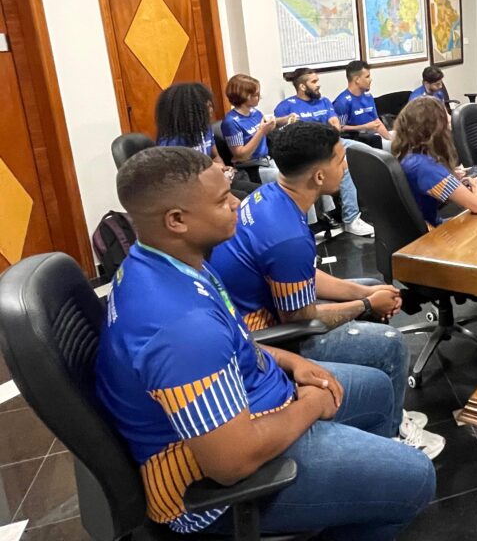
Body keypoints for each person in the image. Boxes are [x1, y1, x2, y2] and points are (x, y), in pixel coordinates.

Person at [96, 147, 433, 538]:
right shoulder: (180, 329)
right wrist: (311, 405)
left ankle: (354, 496)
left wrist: (291, 363)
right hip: (217, 491)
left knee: (377, 389)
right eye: (221, 200)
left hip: (256, 398)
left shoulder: (169, 262)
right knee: (417, 479)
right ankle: (367, 496)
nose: (236, 203)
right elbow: (232, 463)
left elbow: (235, 338)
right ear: (177, 220)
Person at [209, 122, 444, 459]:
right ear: (319, 176)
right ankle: (393, 435)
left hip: (266, 307)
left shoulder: (269, 196)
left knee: (368, 287)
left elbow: (302, 275)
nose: (345, 166)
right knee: (391, 344)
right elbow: (299, 318)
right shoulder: (288, 236)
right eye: (339, 160)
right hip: (266, 335)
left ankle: (380, 407)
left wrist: (363, 293)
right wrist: (366, 305)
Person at [275, 68, 374, 237]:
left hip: (333, 142)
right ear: (302, 86)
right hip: (310, 150)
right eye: (314, 82)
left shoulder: (324, 101)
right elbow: (286, 137)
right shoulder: (286, 107)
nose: (318, 85)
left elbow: (335, 123)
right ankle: (351, 219)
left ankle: (370, 206)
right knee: (345, 166)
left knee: (368, 153)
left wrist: (333, 130)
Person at [392, 96, 477, 227]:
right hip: (432, 232)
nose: (450, 118)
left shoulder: (407, 154)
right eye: (446, 114)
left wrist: (450, 176)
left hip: (412, 228)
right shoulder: (426, 168)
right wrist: (474, 184)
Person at [155, 82, 259, 197]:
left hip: (214, 181)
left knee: (260, 192)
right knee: (243, 198)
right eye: (207, 106)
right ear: (189, 110)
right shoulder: (171, 144)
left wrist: (223, 170)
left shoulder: (205, 129)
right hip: (194, 192)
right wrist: (213, 172)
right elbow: (181, 180)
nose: (211, 110)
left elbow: (215, 157)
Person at [221, 74, 290, 184]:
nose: (260, 97)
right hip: (251, 167)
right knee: (289, 181)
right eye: (256, 94)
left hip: (266, 160)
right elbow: (241, 156)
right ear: (246, 96)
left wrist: (286, 119)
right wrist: (261, 131)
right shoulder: (231, 122)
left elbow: (269, 126)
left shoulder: (255, 113)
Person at [333, 60, 391, 149]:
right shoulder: (342, 102)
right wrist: (364, 127)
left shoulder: (368, 96)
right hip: (355, 144)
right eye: (367, 76)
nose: (370, 79)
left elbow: (376, 123)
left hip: (373, 139)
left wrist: (391, 139)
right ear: (357, 80)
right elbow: (339, 129)